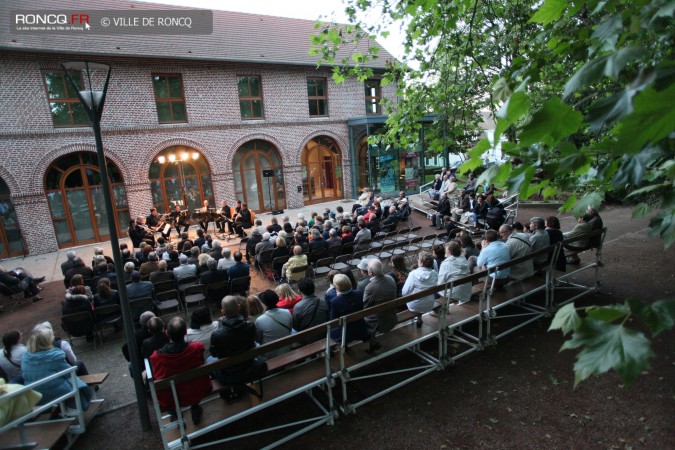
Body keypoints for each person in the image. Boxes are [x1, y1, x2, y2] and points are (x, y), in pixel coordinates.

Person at [149, 316, 211, 424]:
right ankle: (195, 407)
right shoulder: (197, 348)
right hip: (198, 390)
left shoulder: (156, 357)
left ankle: (176, 415)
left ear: (167, 333)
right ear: (186, 332)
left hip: (174, 399)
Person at [209, 296, 268, 403]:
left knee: (209, 360)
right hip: (249, 366)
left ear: (222, 312)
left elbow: (214, 353)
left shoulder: (217, 334)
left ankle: (227, 394)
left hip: (229, 374)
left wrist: (221, 326)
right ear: (239, 307)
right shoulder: (250, 326)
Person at [22, 323, 91, 410]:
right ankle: (88, 393)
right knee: (75, 375)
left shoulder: (25, 357)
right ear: (47, 341)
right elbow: (69, 373)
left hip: (34, 394)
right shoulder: (55, 355)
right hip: (55, 393)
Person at [363, 259, 397, 353]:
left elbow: (365, 307)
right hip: (391, 315)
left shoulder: (370, 287)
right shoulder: (390, 279)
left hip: (379, 320)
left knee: (360, 319)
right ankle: (373, 343)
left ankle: (373, 342)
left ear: (370, 272)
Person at [328, 274, 369, 344]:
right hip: (360, 327)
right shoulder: (359, 293)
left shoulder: (335, 301)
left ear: (336, 286)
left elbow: (333, 320)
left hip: (346, 332)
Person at [402, 252, 439, 326]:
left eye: (418, 260)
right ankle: (419, 318)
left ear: (422, 262)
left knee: (415, 298)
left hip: (414, 306)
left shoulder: (413, 274)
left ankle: (418, 318)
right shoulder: (434, 273)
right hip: (430, 304)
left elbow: (404, 293)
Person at [255, 290, 292, 359]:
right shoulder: (287, 312)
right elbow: (290, 330)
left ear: (264, 303)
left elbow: (258, 340)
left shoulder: (259, 320)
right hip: (287, 348)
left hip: (269, 354)